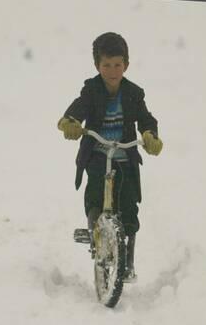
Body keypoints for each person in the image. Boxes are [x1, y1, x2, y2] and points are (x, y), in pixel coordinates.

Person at [57, 32, 163, 282]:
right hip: (97, 154)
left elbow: (146, 118)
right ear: (97, 66)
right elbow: (78, 108)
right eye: (106, 65)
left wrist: (149, 134)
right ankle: (95, 231)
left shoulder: (134, 93)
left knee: (128, 207)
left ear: (126, 64)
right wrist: (70, 121)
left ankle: (128, 262)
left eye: (118, 64)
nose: (113, 70)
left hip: (124, 156)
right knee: (94, 195)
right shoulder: (91, 90)